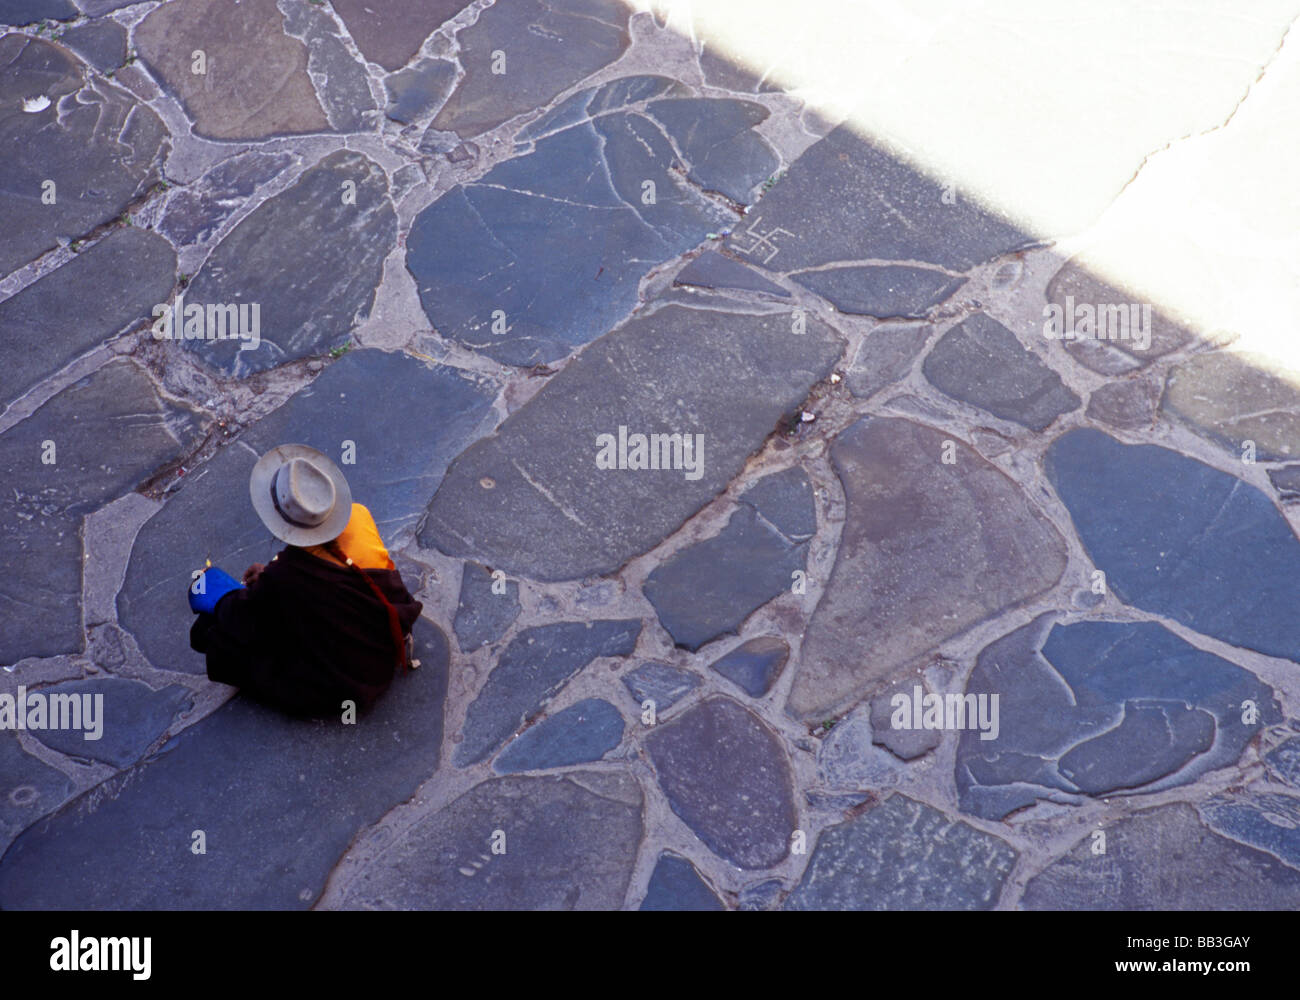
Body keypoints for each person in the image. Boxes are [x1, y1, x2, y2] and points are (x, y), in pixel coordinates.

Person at [188, 444, 423, 718]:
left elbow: (241, 616)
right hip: (385, 651)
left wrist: (217, 589)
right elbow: (332, 571)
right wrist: (268, 577)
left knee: (210, 635)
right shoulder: (358, 515)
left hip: (351, 686)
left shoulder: (286, 576)